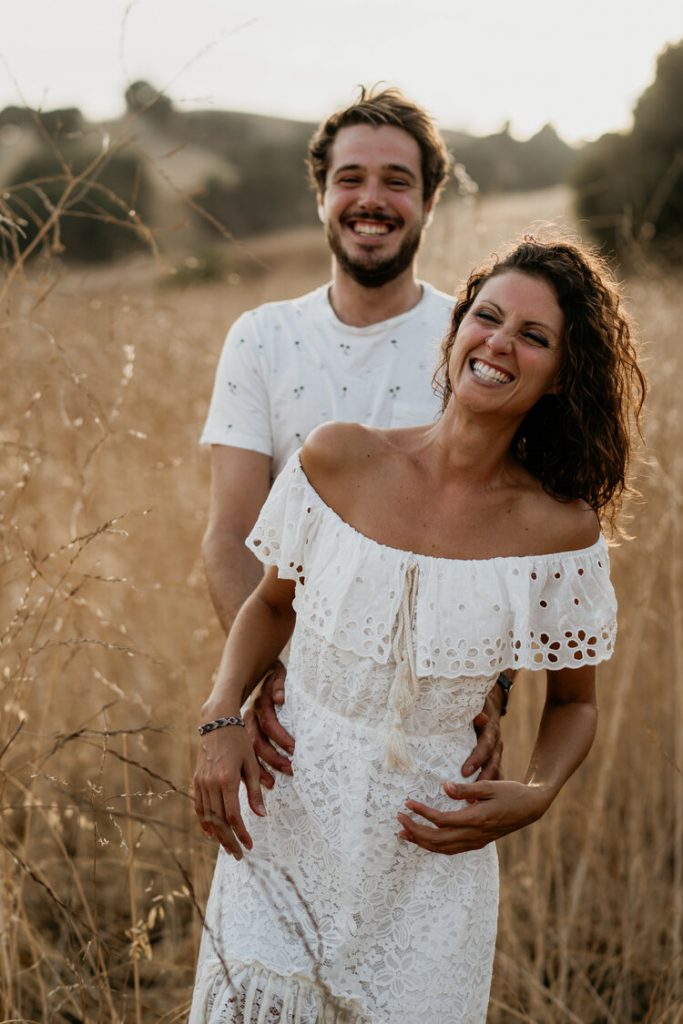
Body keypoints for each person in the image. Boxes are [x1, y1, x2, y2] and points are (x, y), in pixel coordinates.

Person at [190, 237, 646, 1023]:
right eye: (487, 316)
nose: (499, 343)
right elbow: (271, 605)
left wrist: (536, 794)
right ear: (455, 328)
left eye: (532, 337)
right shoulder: (338, 457)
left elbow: (575, 703)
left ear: (560, 375)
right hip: (291, 812)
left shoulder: (559, 533)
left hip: (431, 847)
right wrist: (223, 714)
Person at [200, 86, 507, 789]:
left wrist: (496, 683)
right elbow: (230, 533)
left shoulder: (475, 340)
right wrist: (263, 681)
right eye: (350, 180)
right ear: (320, 197)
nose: (371, 199)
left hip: (432, 722)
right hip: (287, 722)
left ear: (429, 203)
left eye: (397, 181)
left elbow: (505, 526)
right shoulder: (261, 338)